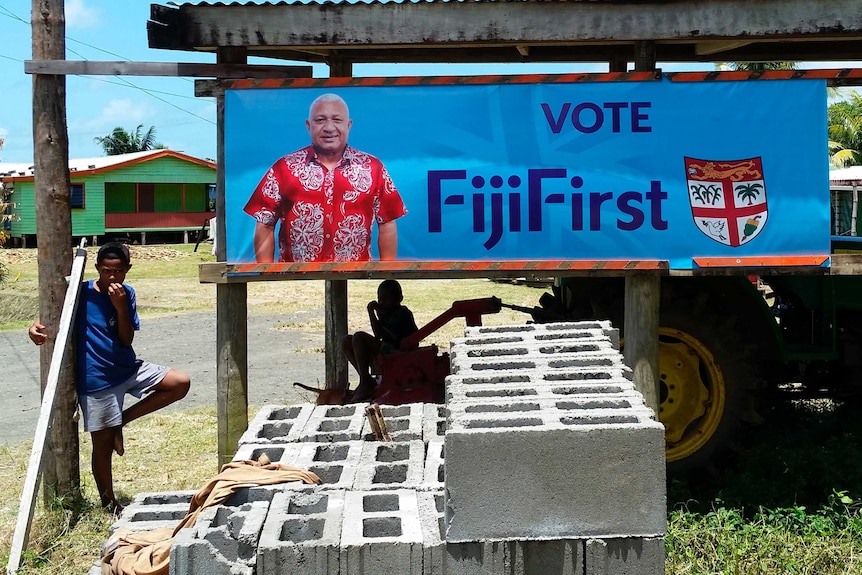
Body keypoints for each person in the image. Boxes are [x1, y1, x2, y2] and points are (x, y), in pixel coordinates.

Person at [29, 242, 190, 514]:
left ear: (127, 269)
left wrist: (120, 307)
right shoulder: (80, 293)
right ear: (97, 269)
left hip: (127, 367)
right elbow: (51, 316)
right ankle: (108, 503)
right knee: (101, 449)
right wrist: (34, 327)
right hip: (97, 378)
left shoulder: (127, 294)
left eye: (118, 271)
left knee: (180, 383)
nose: (112, 277)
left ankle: (120, 422)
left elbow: (126, 339)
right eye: (106, 271)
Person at [244, 93, 408, 263]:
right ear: (308, 125)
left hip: (356, 277)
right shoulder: (284, 168)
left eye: (337, 120)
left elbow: (387, 223)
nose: (329, 128)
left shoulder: (372, 168)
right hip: (296, 280)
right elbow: (264, 224)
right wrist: (267, 275)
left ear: (349, 125)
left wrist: (387, 272)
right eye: (320, 120)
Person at [342, 279, 418, 402]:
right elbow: (379, 336)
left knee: (359, 337)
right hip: (386, 349)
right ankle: (365, 378)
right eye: (380, 298)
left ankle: (365, 381)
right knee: (346, 341)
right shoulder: (385, 313)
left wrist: (373, 313)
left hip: (398, 352)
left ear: (399, 298)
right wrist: (376, 313)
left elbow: (379, 334)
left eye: (387, 299)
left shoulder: (402, 313)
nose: (382, 302)